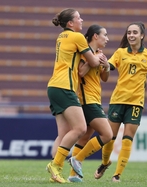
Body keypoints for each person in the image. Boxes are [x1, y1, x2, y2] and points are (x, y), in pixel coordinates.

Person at [94, 21, 147, 182]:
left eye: (134, 33)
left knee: (127, 138)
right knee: (110, 137)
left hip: (136, 102)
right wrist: (103, 63)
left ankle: (117, 175)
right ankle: (105, 163)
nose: (131, 35)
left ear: (142, 35)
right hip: (118, 100)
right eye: (129, 32)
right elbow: (108, 67)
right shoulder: (120, 52)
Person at [46, 8, 106, 183]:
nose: (82, 20)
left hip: (54, 86)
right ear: (70, 23)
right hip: (65, 87)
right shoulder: (78, 37)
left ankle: (54, 172)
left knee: (63, 133)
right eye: (79, 18)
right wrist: (98, 56)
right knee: (80, 129)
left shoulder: (61, 36)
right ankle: (56, 165)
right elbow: (94, 62)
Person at [67, 24, 112, 182]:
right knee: (107, 134)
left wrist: (106, 66)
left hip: (95, 99)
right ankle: (77, 159)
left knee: (84, 138)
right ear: (95, 36)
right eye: (104, 35)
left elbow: (104, 79)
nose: (107, 38)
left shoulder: (100, 54)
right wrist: (92, 60)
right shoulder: (84, 53)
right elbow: (80, 73)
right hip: (87, 100)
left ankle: (73, 175)